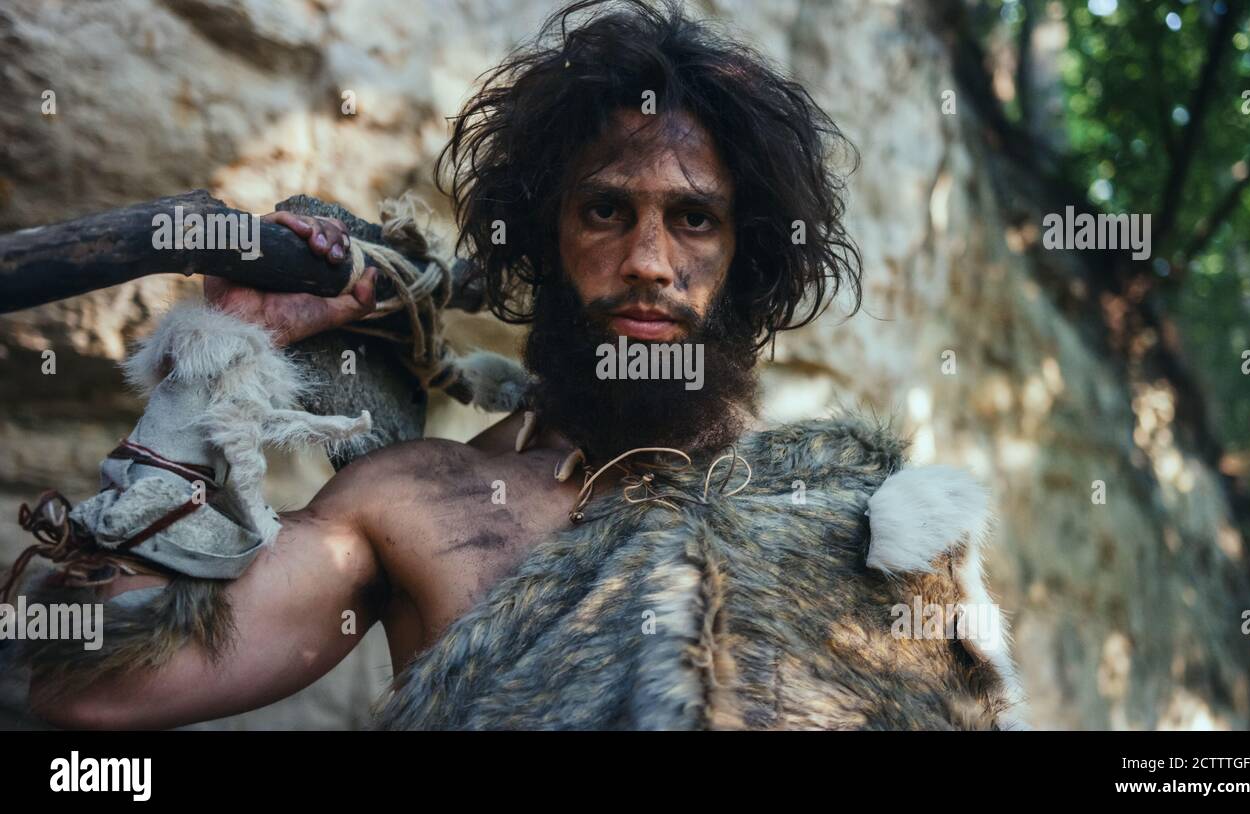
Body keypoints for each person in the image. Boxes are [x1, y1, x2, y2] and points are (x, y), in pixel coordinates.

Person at [22, 0, 1025, 730]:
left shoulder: (864, 517)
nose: (647, 260)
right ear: (542, 244)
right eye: (604, 209)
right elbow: (94, 685)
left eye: (693, 219)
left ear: (743, 257)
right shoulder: (412, 503)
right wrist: (218, 360)